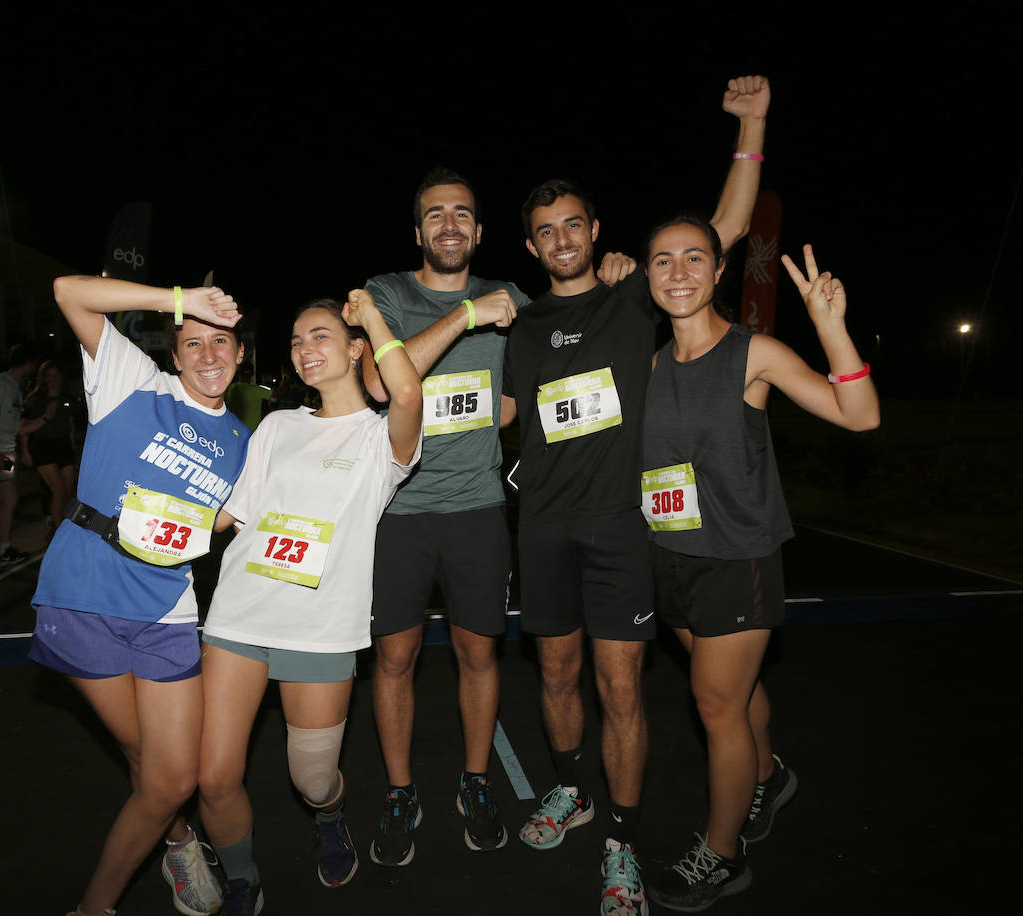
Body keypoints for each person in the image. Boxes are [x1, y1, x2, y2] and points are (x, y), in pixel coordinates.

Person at [500, 75, 769, 916]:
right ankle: (570, 791)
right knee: (553, 676)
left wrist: (751, 127)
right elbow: (495, 412)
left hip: (622, 529)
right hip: (540, 527)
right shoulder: (518, 325)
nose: (561, 238)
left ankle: (620, 837)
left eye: (572, 223)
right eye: (545, 232)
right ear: (534, 248)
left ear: (596, 232)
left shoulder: (634, 296)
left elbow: (718, 232)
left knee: (621, 688)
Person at [359, 168, 636, 865]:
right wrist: (464, 318)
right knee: (394, 659)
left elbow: (517, 397)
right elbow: (376, 383)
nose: (448, 226)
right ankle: (399, 791)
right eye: (434, 215)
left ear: (481, 233)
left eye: (462, 215)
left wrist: (618, 274)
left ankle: (475, 782)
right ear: (417, 231)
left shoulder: (513, 297)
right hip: (398, 511)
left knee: (480, 655)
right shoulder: (388, 294)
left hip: (481, 508)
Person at [642, 232, 878, 911]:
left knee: (715, 706)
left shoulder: (754, 353)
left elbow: (859, 416)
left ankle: (721, 855)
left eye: (694, 258)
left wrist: (832, 329)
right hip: (670, 558)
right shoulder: (651, 365)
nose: (678, 272)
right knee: (733, 695)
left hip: (735, 560)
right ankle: (768, 775)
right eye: (662, 260)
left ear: (719, 269)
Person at [197, 291, 422, 916]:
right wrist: (147, 523)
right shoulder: (277, 425)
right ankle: (242, 877)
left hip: (320, 629)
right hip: (239, 614)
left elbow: (406, 394)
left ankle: (330, 817)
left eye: (320, 336)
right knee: (213, 776)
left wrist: (372, 316)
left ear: (356, 350)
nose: (304, 350)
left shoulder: (381, 441)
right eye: (296, 341)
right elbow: (231, 516)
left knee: (314, 780)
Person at [30, 276, 249, 916]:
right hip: (85, 595)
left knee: (172, 774)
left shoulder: (243, 441)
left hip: (166, 607)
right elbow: (69, 290)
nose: (208, 356)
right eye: (193, 343)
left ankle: (101, 898)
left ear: (240, 356)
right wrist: (179, 300)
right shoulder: (133, 382)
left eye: (222, 343)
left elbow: (224, 522)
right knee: (148, 760)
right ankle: (175, 841)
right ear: (174, 354)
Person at [0, 344, 48, 563]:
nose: (35, 369)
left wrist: (45, 418)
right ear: (28, 364)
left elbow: (18, 427)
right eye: (34, 364)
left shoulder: (14, 388)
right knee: (10, 498)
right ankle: (5, 548)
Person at [22, 360, 79, 541]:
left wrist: (72, 449)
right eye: (49, 375)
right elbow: (23, 428)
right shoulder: (35, 400)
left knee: (68, 491)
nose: (53, 379)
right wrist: (25, 452)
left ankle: (56, 520)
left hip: (63, 446)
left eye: (56, 375)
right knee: (59, 490)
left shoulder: (66, 399)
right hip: (44, 447)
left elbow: (70, 426)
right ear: (44, 378)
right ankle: (59, 530)